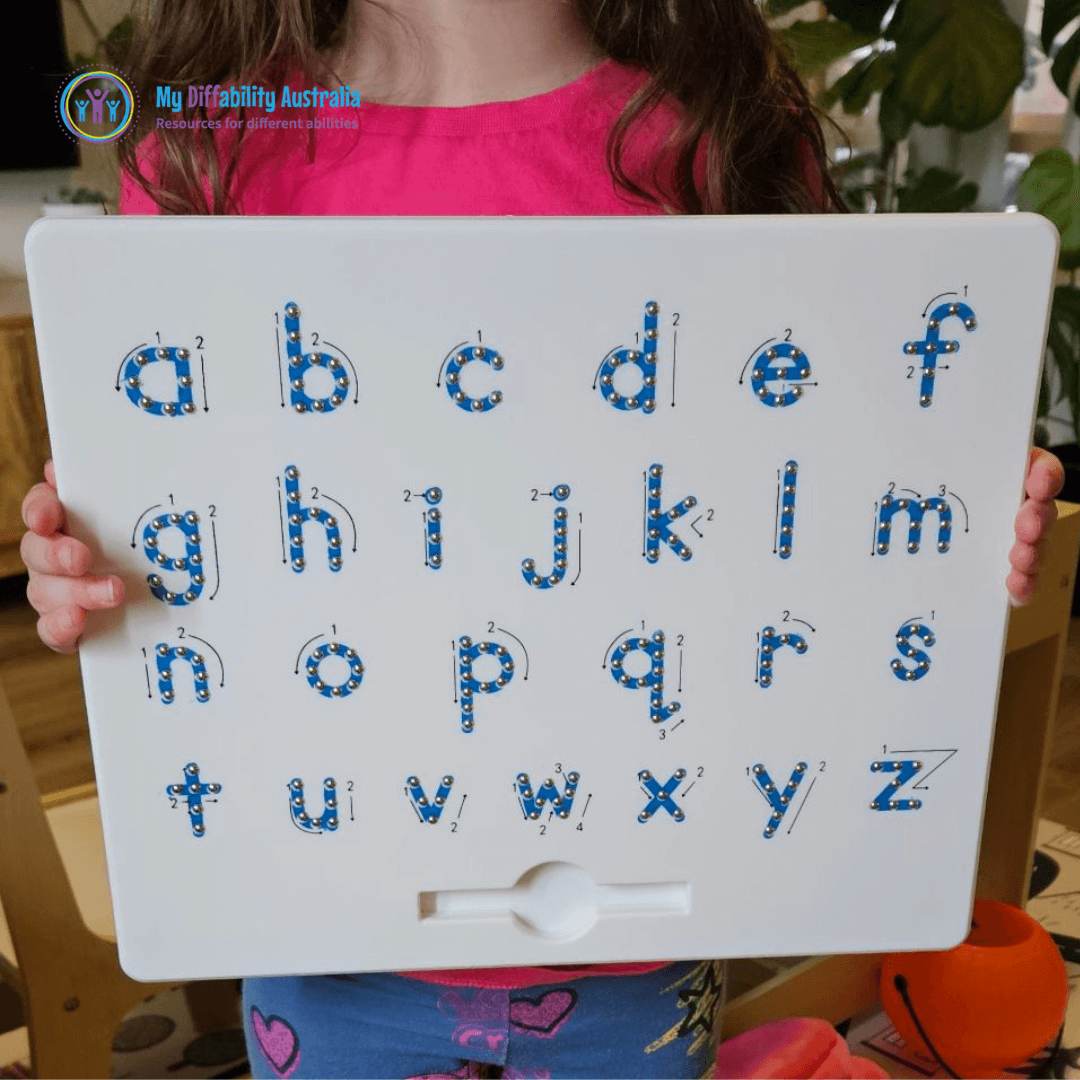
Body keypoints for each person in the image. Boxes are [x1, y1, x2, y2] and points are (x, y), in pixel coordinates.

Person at [19, 1, 1066, 1076]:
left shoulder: (718, 130)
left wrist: (953, 509)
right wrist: (87, 574)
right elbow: (175, 520)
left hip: (640, 921)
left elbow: (813, 477)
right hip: (326, 924)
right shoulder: (209, 145)